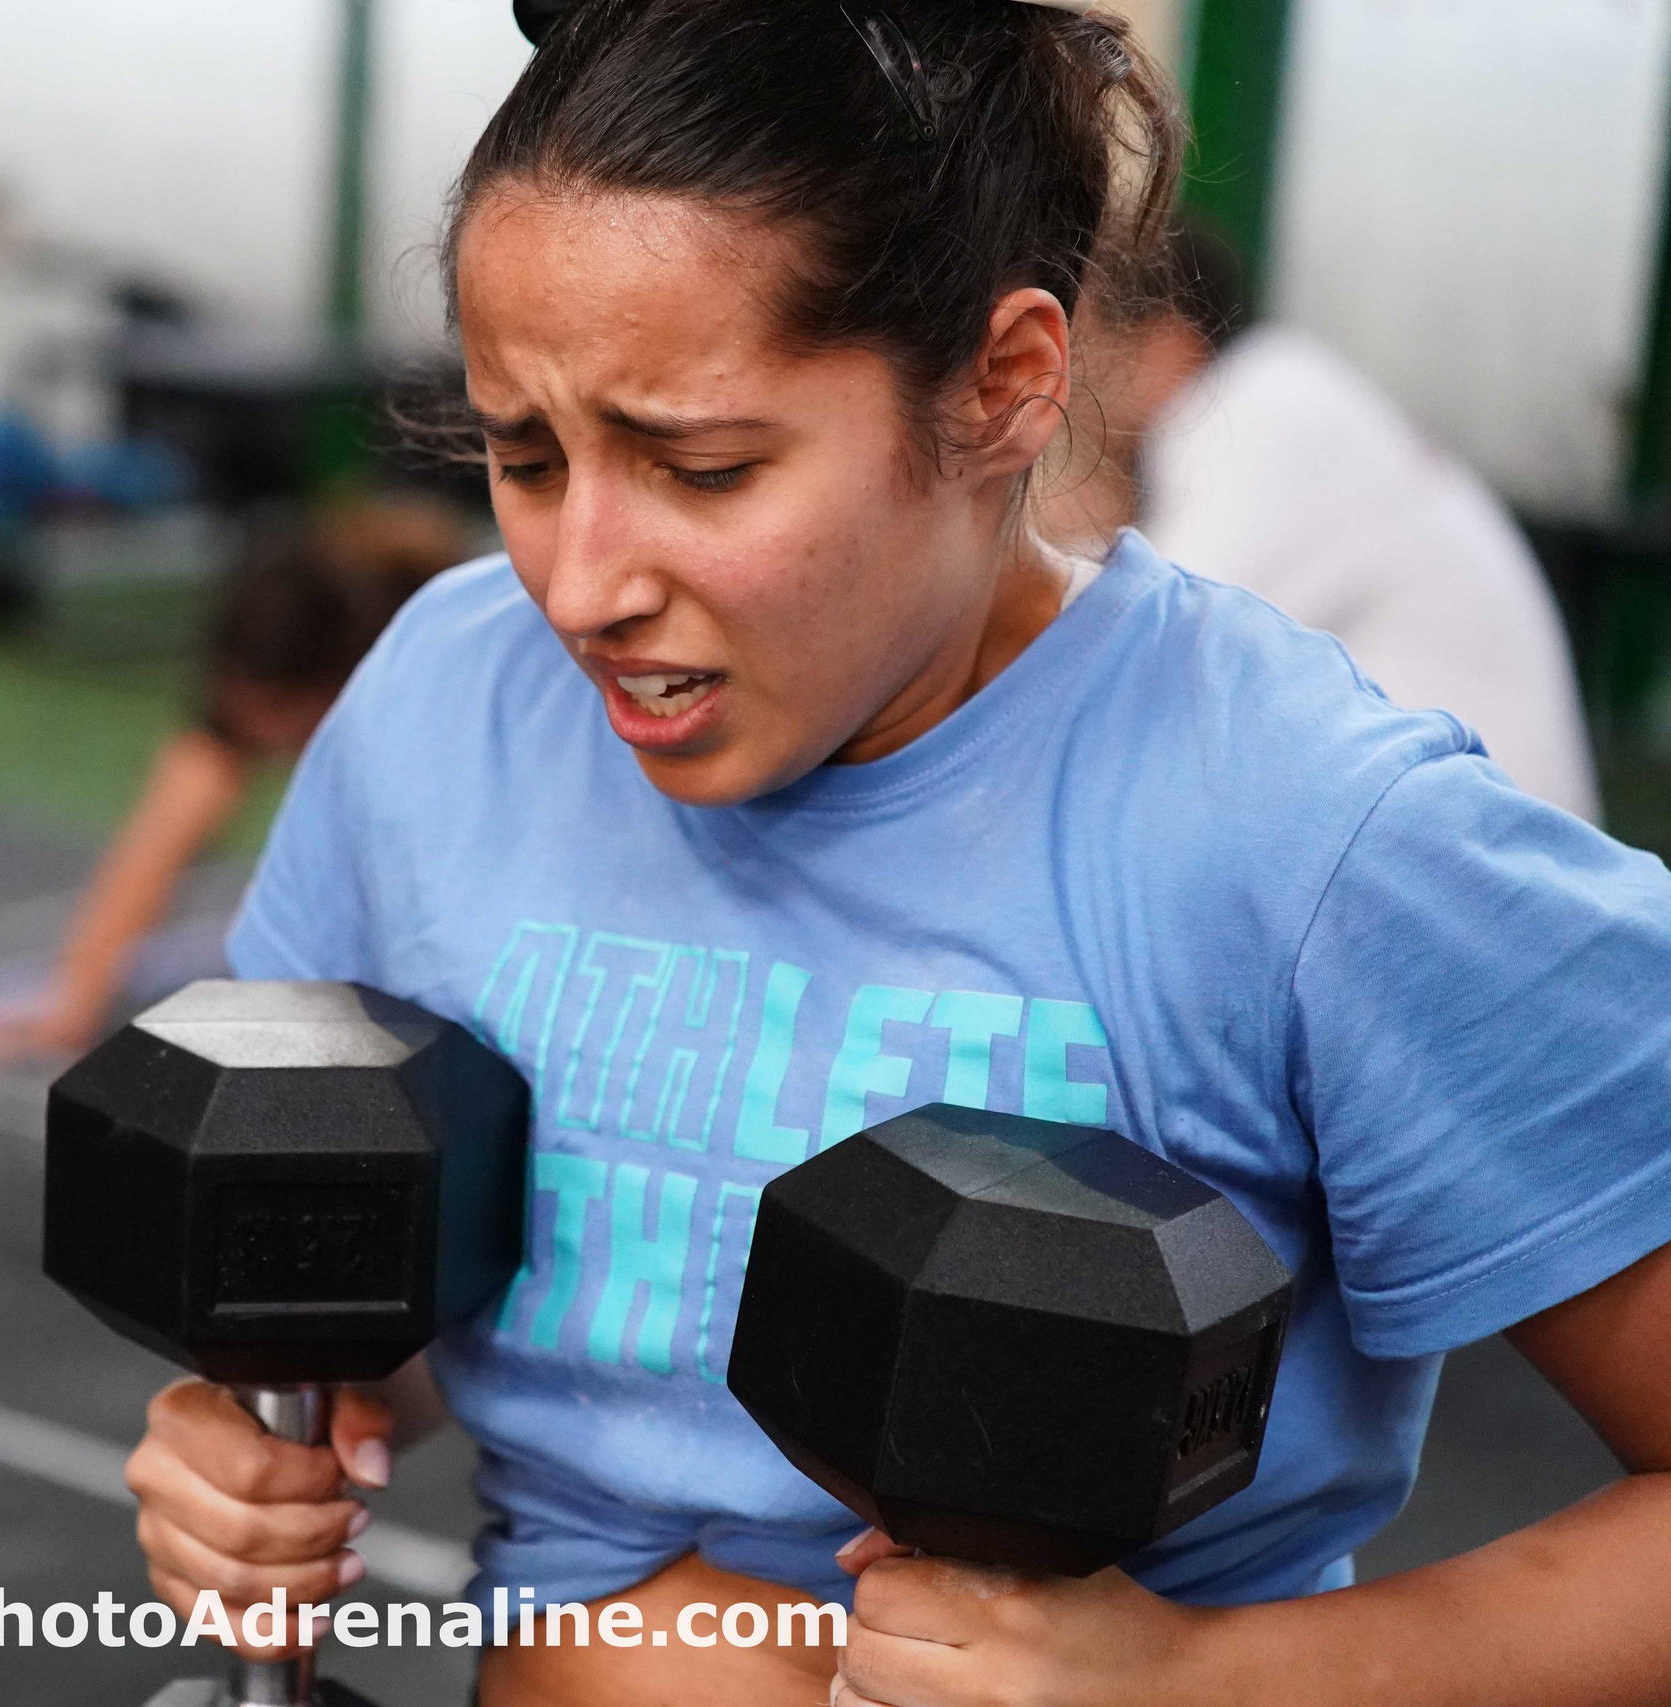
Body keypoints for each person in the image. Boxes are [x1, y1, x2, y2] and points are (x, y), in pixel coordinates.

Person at [117, 3, 1671, 1705]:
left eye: (703, 466)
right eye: (525, 454)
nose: (581, 583)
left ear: (1004, 385)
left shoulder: (1304, 831)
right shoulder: (443, 695)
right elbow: (421, 1294)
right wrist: (278, 1436)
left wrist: (1202, 1681)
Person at [1044, 218, 1601, 818]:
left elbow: (1142, 635)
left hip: (1471, 833)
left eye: (1086, 343)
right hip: (1447, 813)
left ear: (1169, 339)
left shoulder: (1265, 406)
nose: (1072, 384)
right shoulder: (1281, 392)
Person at [0, 498, 467, 1060]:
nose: (267, 738)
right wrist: (73, 1004)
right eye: (250, 714)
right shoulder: (263, 659)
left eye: (282, 714)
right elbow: (161, 836)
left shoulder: (430, 671)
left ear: (339, 681)